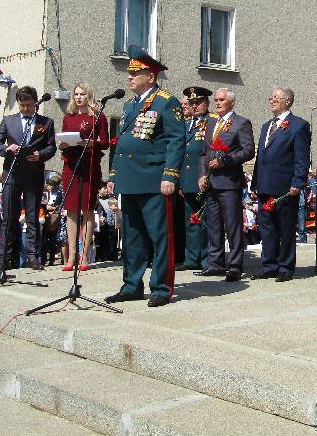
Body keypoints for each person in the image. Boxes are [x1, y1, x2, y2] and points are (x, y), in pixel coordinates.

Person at [105, 45, 185, 308]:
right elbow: (122, 142)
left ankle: (161, 287)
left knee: (160, 236)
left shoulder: (166, 102)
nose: (129, 77)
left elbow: (176, 140)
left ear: (150, 77)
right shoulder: (130, 104)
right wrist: (114, 174)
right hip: (130, 180)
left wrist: (170, 175)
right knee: (132, 237)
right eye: (129, 73)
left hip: (154, 179)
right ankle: (131, 285)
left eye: (135, 73)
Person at [0, 85, 57, 272]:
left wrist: (40, 155)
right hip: (12, 172)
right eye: (22, 105)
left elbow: (51, 147)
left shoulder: (46, 122)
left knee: (32, 216)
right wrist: (6, 149)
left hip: (33, 174)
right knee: (8, 217)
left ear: (35, 103)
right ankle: (4, 259)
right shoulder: (8, 121)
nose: (25, 109)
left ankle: (33, 257)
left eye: (29, 105)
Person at [250, 88, 311, 281]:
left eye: (276, 98)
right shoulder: (266, 126)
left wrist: (298, 182)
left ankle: (285, 267)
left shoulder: (299, 125)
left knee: (285, 229)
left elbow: (301, 158)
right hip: (264, 185)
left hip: (285, 187)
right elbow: (261, 157)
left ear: (288, 101)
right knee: (267, 228)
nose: (272, 100)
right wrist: (255, 183)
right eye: (271, 97)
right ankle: (269, 266)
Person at [196, 87, 255, 282]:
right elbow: (203, 153)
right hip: (211, 183)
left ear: (231, 102)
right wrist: (201, 175)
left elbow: (248, 151)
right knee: (213, 225)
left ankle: (235, 265)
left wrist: (225, 161)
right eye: (216, 100)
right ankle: (215, 263)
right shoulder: (211, 122)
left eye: (221, 100)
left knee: (232, 225)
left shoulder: (241, 123)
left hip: (229, 182)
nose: (217, 103)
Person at [57, 82, 110, 271]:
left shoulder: (98, 116)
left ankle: (84, 254)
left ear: (89, 96)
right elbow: (64, 138)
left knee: (87, 210)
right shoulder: (69, 116)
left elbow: (105, 142)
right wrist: (63, 144)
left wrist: (92, 143)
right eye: (76, 94)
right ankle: (71, 255)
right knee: (71, 210)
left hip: (89, 166)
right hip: (71, 165)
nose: (79, 97)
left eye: (83, 94)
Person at [175, 87, 212, 272]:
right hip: (187, 179)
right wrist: (179, 181)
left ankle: (206, 259)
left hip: (203, 178)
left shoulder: (212, 121)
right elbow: (182, 154)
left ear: (206, 103)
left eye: (198, 102)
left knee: (206, 221)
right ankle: (191, 258)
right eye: (192, 103)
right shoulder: (187, 124)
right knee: (191, 220)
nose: (194, 106)